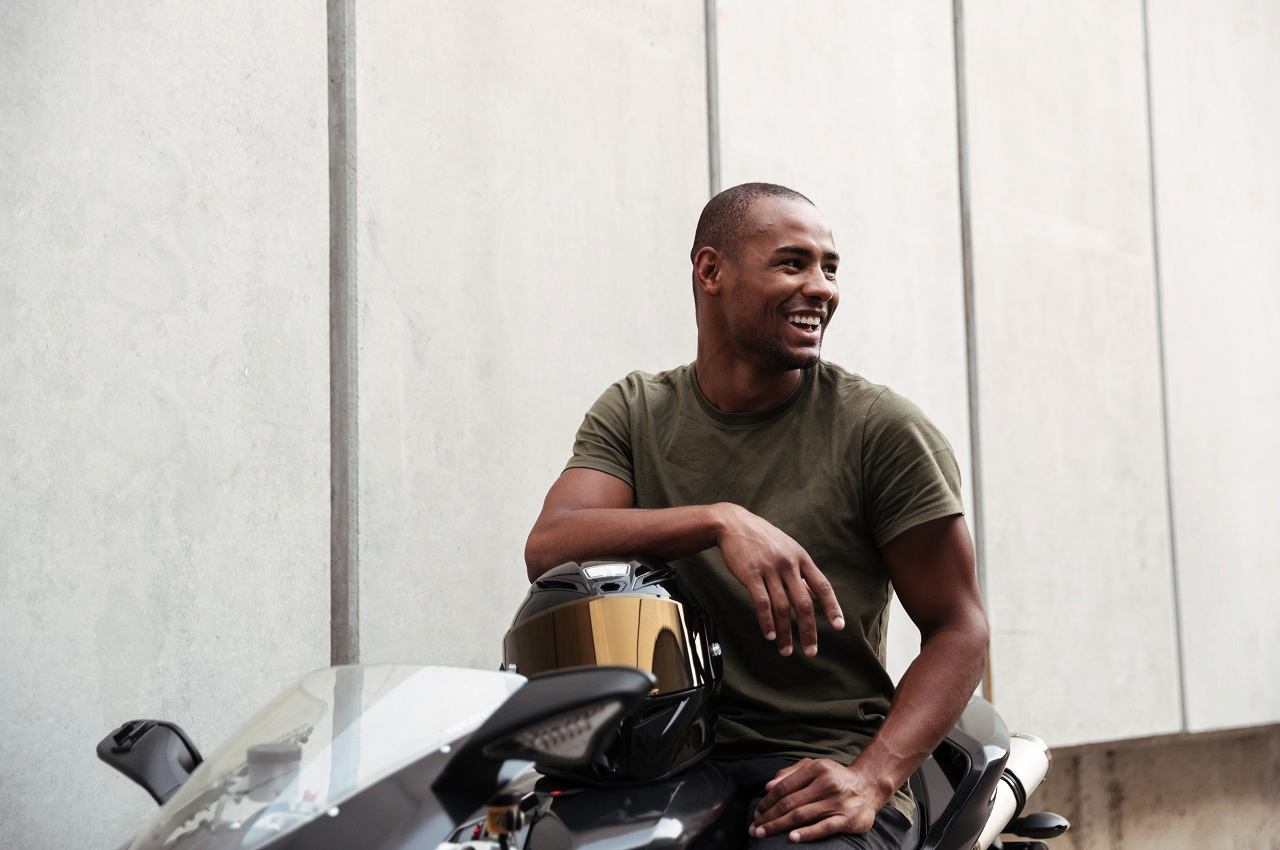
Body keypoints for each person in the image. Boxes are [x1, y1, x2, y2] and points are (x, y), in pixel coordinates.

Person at [524, 183, 989, 849]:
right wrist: (719, 520)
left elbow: (959, 628)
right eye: (792, 263)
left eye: (830, 267)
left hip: (817, 762)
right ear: (712, 271)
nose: (821, 287)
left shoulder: (880, 429)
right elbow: (551, 544)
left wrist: (873, 778)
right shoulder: (635, 410)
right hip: (663, 765)